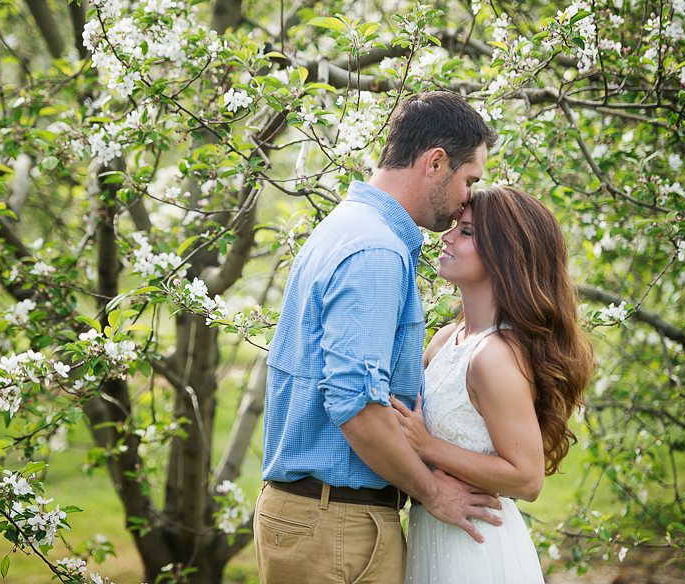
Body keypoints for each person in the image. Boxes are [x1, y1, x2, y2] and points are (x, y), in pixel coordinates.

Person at [254, 92, 501, 584]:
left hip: (323, 520)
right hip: (336, 526)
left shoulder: (349, 228)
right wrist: (432, 492)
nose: (464, 205)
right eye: (469, 180)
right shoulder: (375, 251)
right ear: (436, 162)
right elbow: (357, 408)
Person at [391, 186, 596, 583]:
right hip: (432, 532)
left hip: (475, 548)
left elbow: (527, 477)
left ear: (505, 256)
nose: (446, 236)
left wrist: (427, 445)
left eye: (466, 232)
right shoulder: (445, 339)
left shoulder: (495, 356)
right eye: (454, 227)